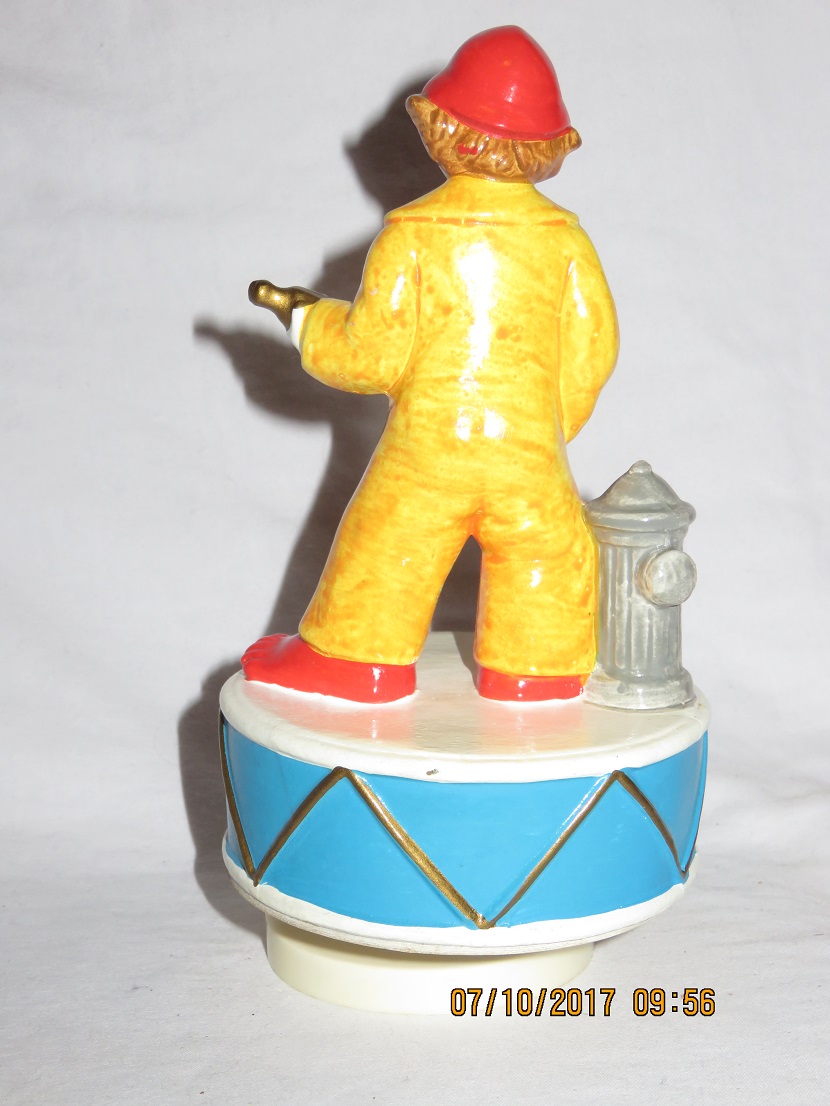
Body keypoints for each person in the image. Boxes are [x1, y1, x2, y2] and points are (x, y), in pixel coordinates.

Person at [244, 25, 618, 703]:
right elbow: (593, 351)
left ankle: (356, 661)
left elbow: (370, 355)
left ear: (443, 129)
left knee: (388, 545)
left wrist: (305, 316)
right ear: (552, 143)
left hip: (427, 450)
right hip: (528, 454)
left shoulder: (410, 237)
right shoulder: (567, 242)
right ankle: (537, 670)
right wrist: (545, 429)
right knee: (547, 551)